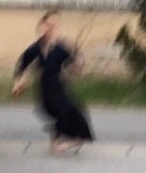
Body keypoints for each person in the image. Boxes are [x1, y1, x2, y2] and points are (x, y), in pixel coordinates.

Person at [12, 11, 95, 154]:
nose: (50, 28)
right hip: (43, 87)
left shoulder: (60, 48)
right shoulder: (35, 48)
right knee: (56, 111)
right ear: (41, 26)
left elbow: (76, 69)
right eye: (47, 25)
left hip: (58, 86)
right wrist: (18, 83)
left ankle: (71, 140)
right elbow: (22, 65)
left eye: (54, 26)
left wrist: (77, 58)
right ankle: (57, 140)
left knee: (71, 111)